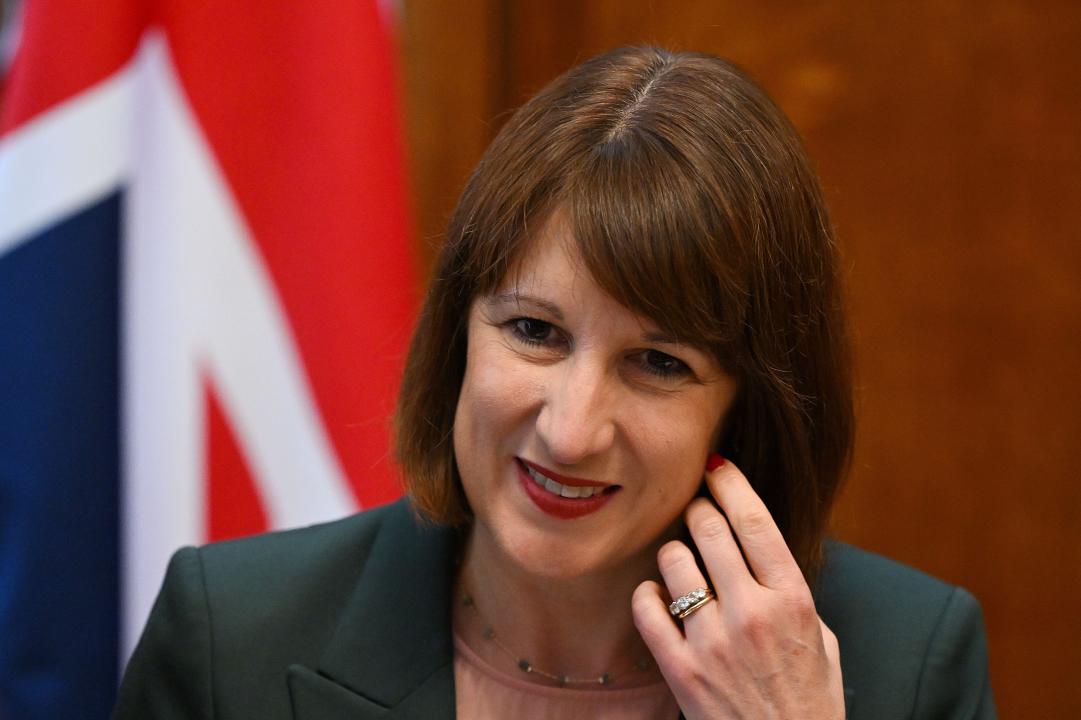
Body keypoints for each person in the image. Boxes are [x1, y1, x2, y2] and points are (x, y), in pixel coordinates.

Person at [114, 46, 995, 719]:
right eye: (534, 332)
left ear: (747, 404)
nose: (571, 431)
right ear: (458, 333)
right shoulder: (234, 639)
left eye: (658, 364)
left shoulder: (904, 663)